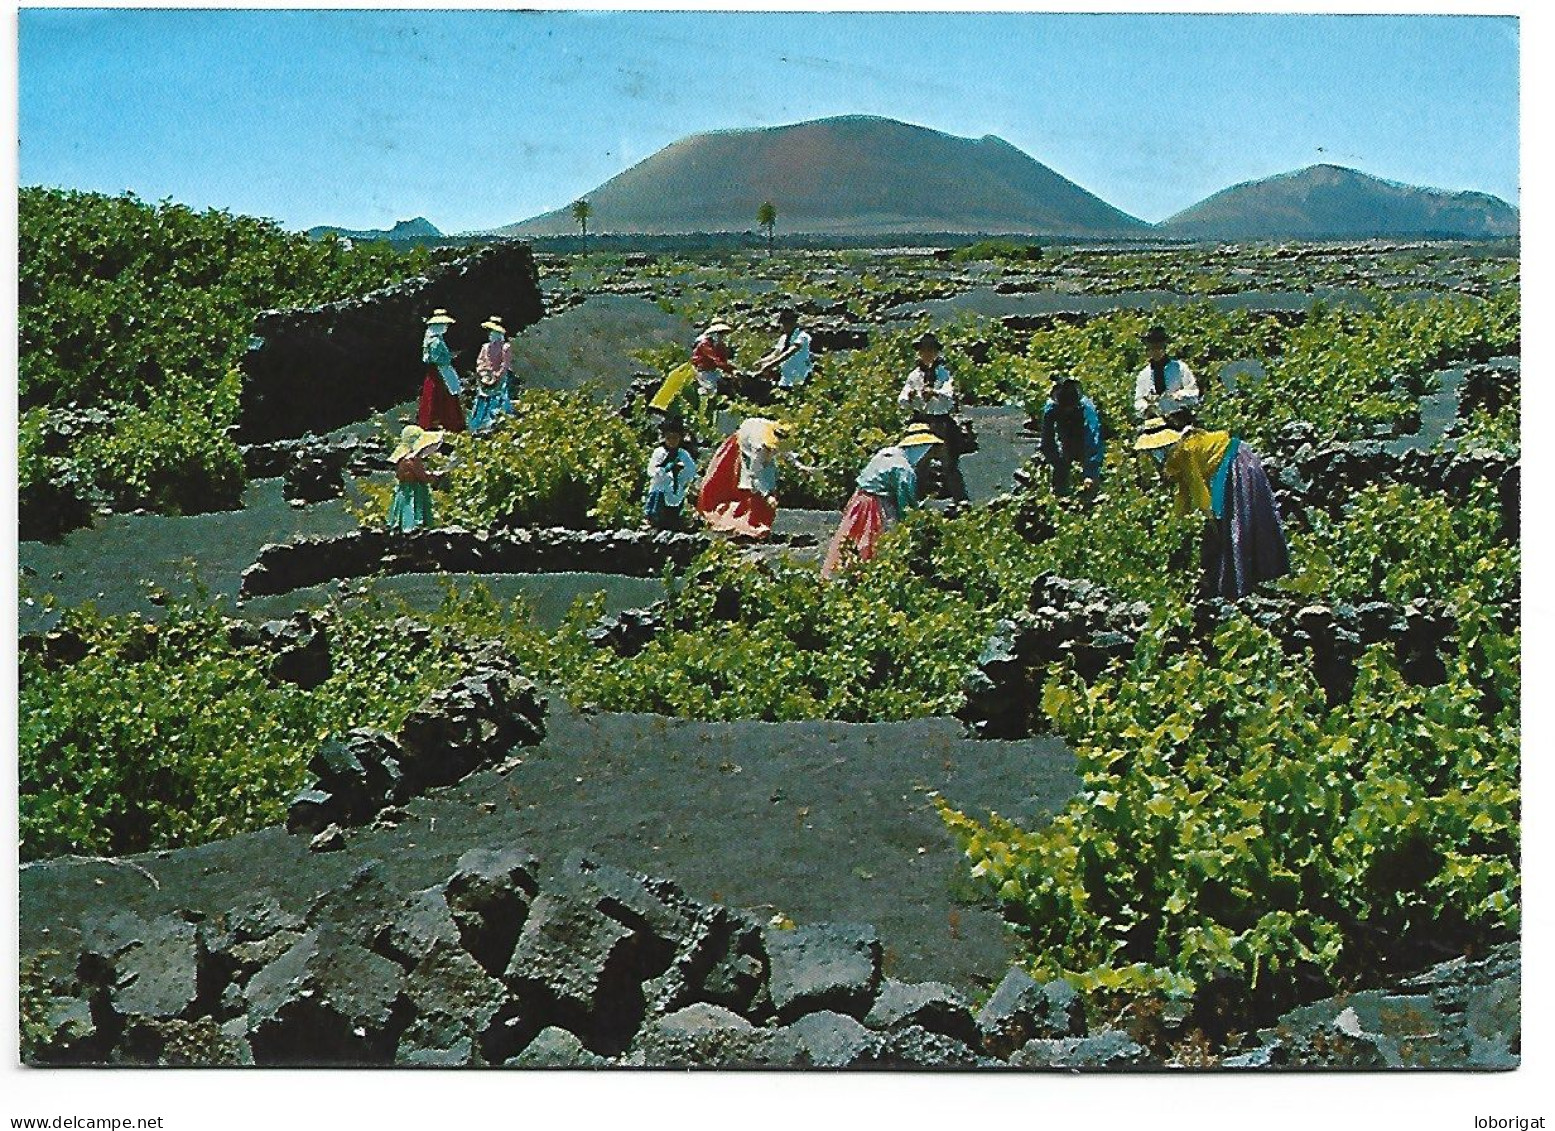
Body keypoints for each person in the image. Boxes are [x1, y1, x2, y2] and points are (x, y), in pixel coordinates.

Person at [1134, 418, 1289, 599]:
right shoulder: (1177, 454)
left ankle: (1240, 584)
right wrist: (1178, 521)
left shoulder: (1185, 450)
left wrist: (1209, 517)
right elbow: (1183, 494)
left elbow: (1198, 489)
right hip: (1232, 462)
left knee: (1233, 522)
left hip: (1234, 462)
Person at [821, 424, 941, 578]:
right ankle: (871, 576)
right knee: (876, 540)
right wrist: (914, 525)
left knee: (850, 538)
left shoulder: (885, 453)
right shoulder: (904, 469)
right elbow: (906, 501)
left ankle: (838, 575)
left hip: (859, 500)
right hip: (876, 504)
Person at [695, 416, 794, 538]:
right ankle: (746, 522)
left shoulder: (780, 435)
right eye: (770, 449)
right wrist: (767, 495)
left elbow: (786, 453)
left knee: (769, 479)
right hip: (742, 444)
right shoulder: (757, 449)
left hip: (754, 445)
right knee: (748, 485)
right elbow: (755, 474)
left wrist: (800, 467)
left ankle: (760, 523)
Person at [898, 332, 968, 501]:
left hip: (940, 423)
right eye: (924, 350)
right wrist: (910, 397)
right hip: (921, 423)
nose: (927, 354)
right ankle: (917, 505)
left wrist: (934, 393)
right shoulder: (914, 375)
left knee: (949, 465)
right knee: (919, 466)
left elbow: (949, 396)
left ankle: (961, 502)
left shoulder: (943, 373)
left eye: (930, 350)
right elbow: (902, 400)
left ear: (936, 352)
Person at [1038, 376, 1105, 497]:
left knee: (1091, 485)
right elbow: (1047, 438)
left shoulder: (1087, 408)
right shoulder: (1051, 408)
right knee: (1060, 472)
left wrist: (1090, 472)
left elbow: (1093, 437)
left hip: (1082, 437)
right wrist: (1055, 461)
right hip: (1064, 437)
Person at [1133, 325, 1199, 426]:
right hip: (1156, 424)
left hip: (1180, 420)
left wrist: (1179, 395)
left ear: (1164, 347)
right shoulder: (1144, 375)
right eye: (1152, 348)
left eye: (1159, 347)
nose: (1156, 351)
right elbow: (1138, 402)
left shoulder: (1180, 368)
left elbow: (1194, 394)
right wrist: (1147, 406)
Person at [386, 425, 446, 532]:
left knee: (403, 509)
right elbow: (421, 477)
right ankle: (414, 527)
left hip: (402, 491)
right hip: (415, 490)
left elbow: (399, 476)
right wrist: (434, 476)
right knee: (413, 510)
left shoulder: (401, 460)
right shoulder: (414, 460)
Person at [643, 416, 698, 531]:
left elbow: (691, 469)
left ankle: (675, 521)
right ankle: (652, 520)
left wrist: (681, 471)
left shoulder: (682, 454)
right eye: (669, 438)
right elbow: (652, 470)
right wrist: (665, 471)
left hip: (677, 488)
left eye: (675, 438)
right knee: (657, 505)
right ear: (665, 438)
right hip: (661, 486)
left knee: (675, 507)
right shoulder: (659, 452)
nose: (672, 441)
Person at [419, 309, 467, 433]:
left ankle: (435, 421)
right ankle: (446, 422)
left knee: (436, 394)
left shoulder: (432, 338)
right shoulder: (435, 341)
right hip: (440, 371)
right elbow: (437, 358)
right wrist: (450, 357)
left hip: (435, 371)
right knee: (443, 394)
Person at [469, 316, 516, 432]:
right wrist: (483, 373)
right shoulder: (485, 347)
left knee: (499, 399)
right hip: (486, 378)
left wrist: (497, 376)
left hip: (500, 378)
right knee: (482, 400)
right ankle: (479, 425)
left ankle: (497, 422)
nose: (491, 335)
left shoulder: (505, 347)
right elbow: (480, 361)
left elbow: (505, 364)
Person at [753, 308, 814, 394]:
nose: (785, 325)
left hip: (799, 376)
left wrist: (769, 366)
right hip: (785, 377)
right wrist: (761, 362)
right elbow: (775, 354)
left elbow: (789, 353)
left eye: (788, 322)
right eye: (784, 323)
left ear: (794, 321)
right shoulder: (783, 338)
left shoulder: (802, 336)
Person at [691, 320, 738, 398]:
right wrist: (730, 369)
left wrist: (731, 369)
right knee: (710, 390)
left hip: (714, 371)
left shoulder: (720, 346)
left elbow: (723, 360)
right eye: (719, 334)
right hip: (703, 371)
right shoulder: (705, 344)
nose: (721, 336)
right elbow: (715, 360)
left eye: (723, 334)